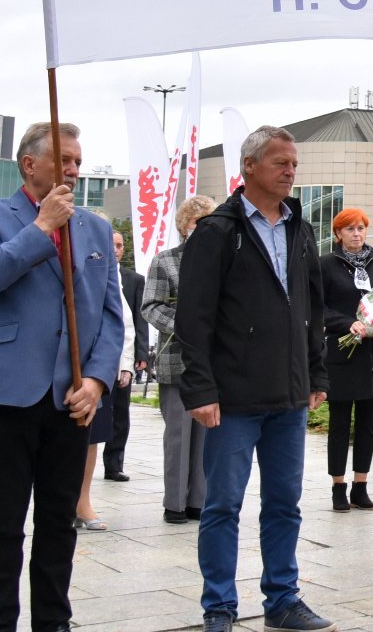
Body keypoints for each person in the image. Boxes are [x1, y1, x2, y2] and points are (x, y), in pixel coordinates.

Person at [0, 121, 126, 632]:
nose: (75, 169)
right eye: (65, 160)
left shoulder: (95, 228)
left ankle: (53, 621)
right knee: (3, 527)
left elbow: (110, 312)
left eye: (78, 160)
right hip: (9, 394)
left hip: (70, 398)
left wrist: (95, 380)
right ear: (30, 164)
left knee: (58, 523)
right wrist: (40, 228)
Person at [177, 126, 334, 632]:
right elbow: (193, 318)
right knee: (222, 505)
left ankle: (282, 601)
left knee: (284, 504)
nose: (291, 171)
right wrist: (199, 388)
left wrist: (316, 373)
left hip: (289, 396)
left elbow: (312, 305)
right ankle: (219, 608)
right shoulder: (217, 231)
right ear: (248, 167)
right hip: (233, 398)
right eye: (280, 163)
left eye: (294, 164)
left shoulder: (299, 227)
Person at [142, 194, 218, 524]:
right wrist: (185, 326)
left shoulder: (221, 262)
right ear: (185, 227)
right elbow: (151, 306)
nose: (206, 230)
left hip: (213, 363)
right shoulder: (165, 261)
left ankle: (198, 501)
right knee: (178, 435)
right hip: (176, 358)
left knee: (206, 436)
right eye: (200, 223)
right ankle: (174, 502)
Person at [317, 208, 373, 513]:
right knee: (340, 424)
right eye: (350, 229)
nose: (357, 233)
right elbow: (318, 307)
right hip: (343, 351)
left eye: (361, 228)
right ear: (338, 234)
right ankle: (338, 486)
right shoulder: (326, 264)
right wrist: (345, 322)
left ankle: (361, 484)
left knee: (368, 424)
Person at [73, 217, 137, 533]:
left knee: (92, 436)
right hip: (59, 363)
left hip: (96, 369)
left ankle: (82, 500)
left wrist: (123, 364)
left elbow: (121, 321)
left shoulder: (110, 273)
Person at [104, 228, 148, 482]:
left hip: (125, 352)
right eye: (113, 245)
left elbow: (139, 320)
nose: (117, 250)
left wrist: (140, 354)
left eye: (120, 246)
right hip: (100, 356)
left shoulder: (134, 280)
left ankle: (114, 463)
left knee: (120, 413)